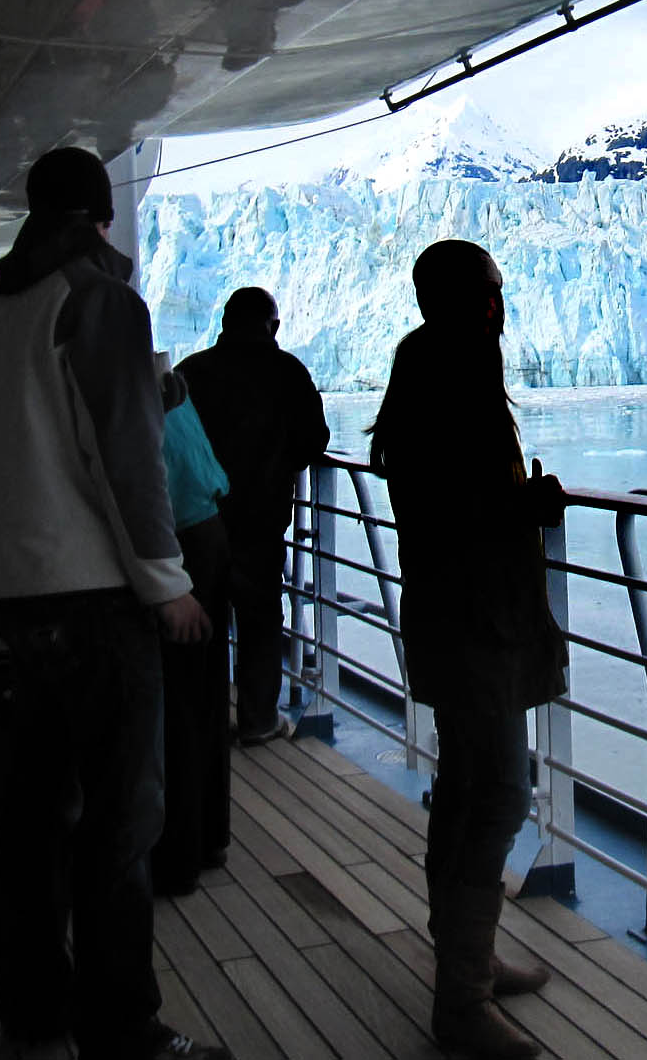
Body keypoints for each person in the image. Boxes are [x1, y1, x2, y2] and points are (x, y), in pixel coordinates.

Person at [0, 146, 227, 1060]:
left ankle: (34, 1007)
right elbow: (123, 455)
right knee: (123, 821)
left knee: (35, 812)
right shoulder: (96, 298)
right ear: (99, 217)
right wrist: (170, 584)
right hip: (95, 599)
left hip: (19, 592)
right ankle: (127, 1030)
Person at [368, 240, 566, 1060]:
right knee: (497, 796)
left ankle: (470, 961)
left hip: (461, 620)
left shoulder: (429, 369)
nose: (500, 302)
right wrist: (529, 507)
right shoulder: (455, 379)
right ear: (470, 300)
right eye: (493, 289)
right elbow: (464, 514)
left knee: (464, 790)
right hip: (474, 623)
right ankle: (462, 1001)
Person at [175, 287, 328, 745]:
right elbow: (313, 438)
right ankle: (258, 718)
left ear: (225, 321)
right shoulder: (286, 372)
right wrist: (277, 464)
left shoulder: (191, 372)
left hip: (198, 521)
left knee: (203, 618)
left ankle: (200, 719)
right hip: (260, 521)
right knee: (260, 622)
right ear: (271, 326)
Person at [149, 355, 234, 898]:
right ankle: (206, 839)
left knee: (175, 706)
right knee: (201, 700)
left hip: (178, 547)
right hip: (207, 536)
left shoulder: (134, 398)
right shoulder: (168, 390)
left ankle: (175, 854)